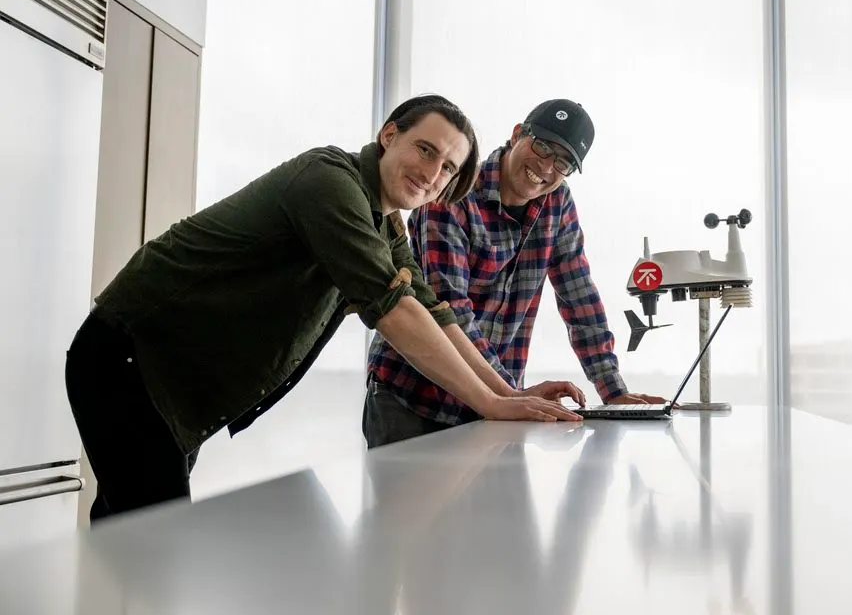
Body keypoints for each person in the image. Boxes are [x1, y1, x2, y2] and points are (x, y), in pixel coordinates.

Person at [65, 94, 580, 523]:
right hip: (130, 356)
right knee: (157, 540)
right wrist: (490, 404)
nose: (432, 174)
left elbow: (433, 309)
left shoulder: (388, 225)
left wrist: (505, 392)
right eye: (425, 150)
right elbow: (393, 309)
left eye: (447, 168)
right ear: (388, 135)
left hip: (172, 384)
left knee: (124, 533)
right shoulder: (328, 181)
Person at [364, 99, 665, 447]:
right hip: (413, 399)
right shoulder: (452, 189)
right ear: (517, 134)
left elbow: (579, 298)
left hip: (497, 408)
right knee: (408, 504)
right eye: (542, 147)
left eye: (563, 162)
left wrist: (613, 393)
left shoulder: (558, 204)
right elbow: (450, 310)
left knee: (505, 503)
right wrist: (511, 395)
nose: (547, 167)